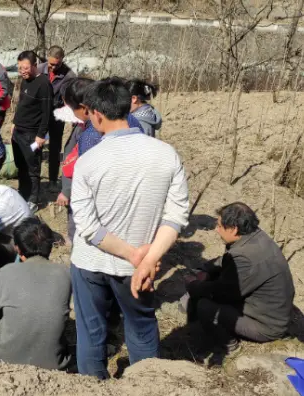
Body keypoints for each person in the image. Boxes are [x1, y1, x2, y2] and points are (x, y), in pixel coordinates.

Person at [70, 77, 189, 379]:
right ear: (129, 105)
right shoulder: (166, 154)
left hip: (91, 262)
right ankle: (145, 384)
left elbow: (87, 227)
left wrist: (133, 256)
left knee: (90, 331)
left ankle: (92, 385)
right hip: (136, 270)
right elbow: (176, 216)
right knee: (141, 325)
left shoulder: (89, 161)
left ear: (96, 113)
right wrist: (147, 259)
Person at [184, 202, 295, 352]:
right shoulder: (256, 237)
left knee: (205, 307)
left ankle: (228, 345)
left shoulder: (245, 258)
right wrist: (208, 270)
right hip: (269, 311)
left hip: (267, 326)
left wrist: (194, 286)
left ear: (234, 229)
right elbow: (226, 260)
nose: (217, 230)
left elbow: (222, 293)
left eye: (220, 226)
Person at [0, 217, 72, 370]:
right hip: (53, 363)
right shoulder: (65, 274)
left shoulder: (6, 272)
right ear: (51, 245)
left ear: (17, 248)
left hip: (3, 360)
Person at [11, 51, 53, 212]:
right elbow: (22, 105)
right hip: (18, 131)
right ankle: (23, 193)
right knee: (20, 165)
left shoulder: (43, 83)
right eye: (20, 67)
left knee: (32, 167)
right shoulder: (24, 80)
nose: (22, 71)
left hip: (32, 134)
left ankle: (33, 200)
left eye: (26, 68)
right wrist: (14, 123)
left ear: (35, 66)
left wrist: (41, 135)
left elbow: (47, 112)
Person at [56, 77, 93, 240]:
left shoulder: (91, 134)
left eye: (68, 106)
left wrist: (67, 190)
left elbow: (80, 165)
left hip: (81, 193)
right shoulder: (82, 125)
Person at [37, 46, 76, 192]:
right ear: (47, 57)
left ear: (62, 61)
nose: (53, 67)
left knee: (54, 148)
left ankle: (53, 180)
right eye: (51, 64)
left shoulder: (69, 76)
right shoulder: (39, 69)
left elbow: (70, 99)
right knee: (36, 145)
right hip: (39, 113)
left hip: (56, 115)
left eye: (57, 65)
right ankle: (35, 178)